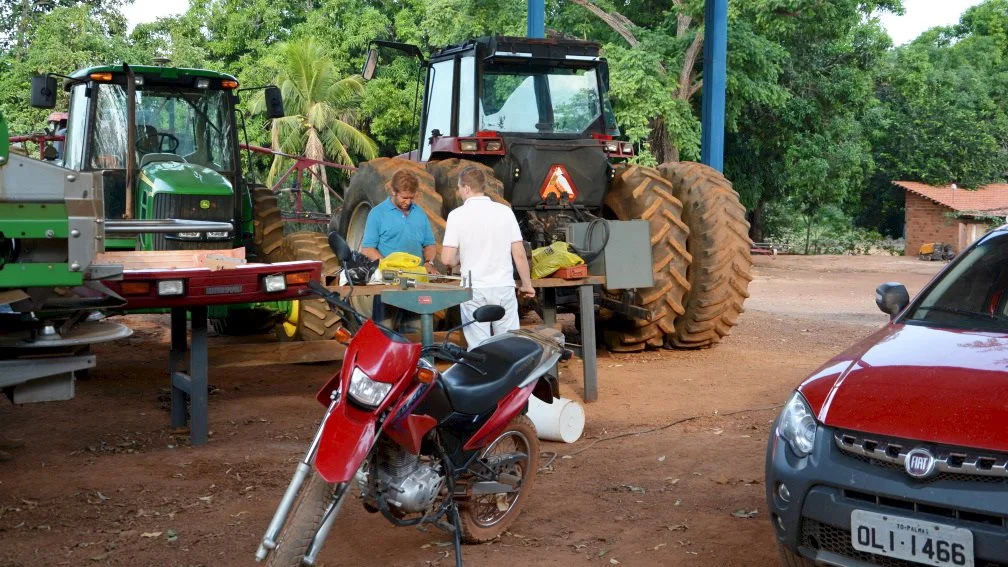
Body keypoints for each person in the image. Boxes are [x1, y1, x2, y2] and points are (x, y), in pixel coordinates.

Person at [441, 166, 535, 348]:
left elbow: (447, 259)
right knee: (509, 344)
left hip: (475, 290)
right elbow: (519, 254)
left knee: (479, 346)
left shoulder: (457, 215)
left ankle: (484, 375)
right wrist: (527, 284)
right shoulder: (505, 212)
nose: (460, 192)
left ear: (466, 188)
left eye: (460, 188)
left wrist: (460, 258)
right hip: (503, 287)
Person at [359, 169, 439, 326]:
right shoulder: (378, 214)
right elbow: (367, 248)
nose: (408, 202)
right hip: (388, 284)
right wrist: (386, 266)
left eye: (411, 197)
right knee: (385, 332)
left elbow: (429, 244)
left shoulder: (419, 213)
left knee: (416, 332)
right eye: (404, 197)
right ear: (393, 191)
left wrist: (429, 263)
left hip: (416, 283)